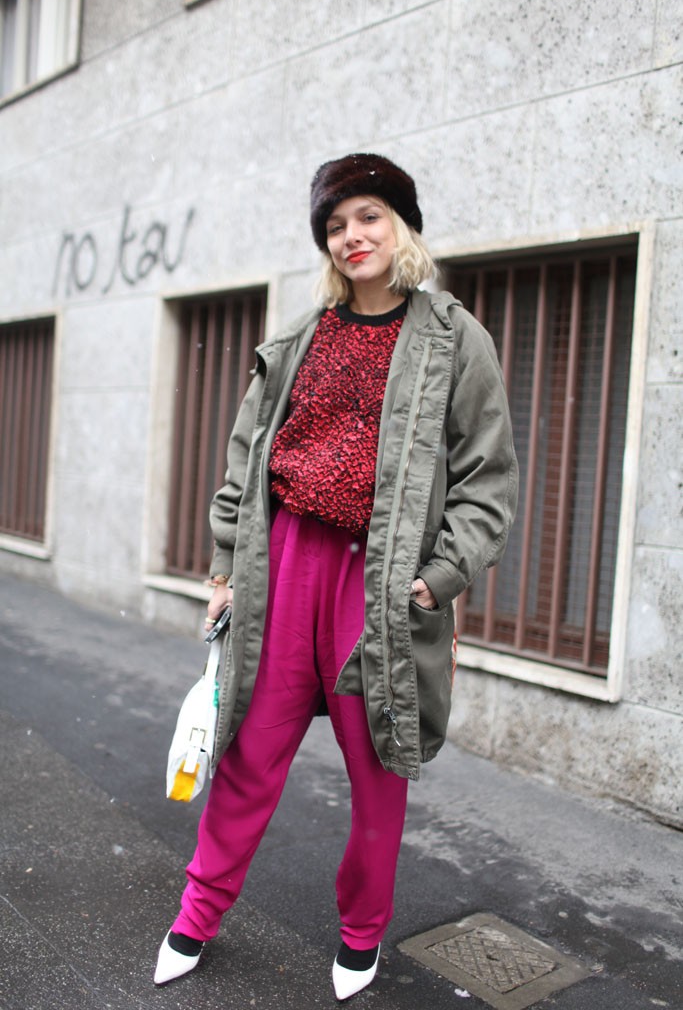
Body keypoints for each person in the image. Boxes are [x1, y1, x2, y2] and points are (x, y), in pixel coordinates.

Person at [154, 153, 518, 999]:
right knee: (248, 753)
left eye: (368, 216)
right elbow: (245, 461)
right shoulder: (298, 339)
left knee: (378, 768)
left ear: (401, 226)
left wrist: (438, 576)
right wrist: (224, 570)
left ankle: (361, 935)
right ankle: (197, 915)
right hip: (285, 566)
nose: (351, 236)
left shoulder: (454, 337)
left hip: (382, 582)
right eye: (334, 224)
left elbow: (487, 476)